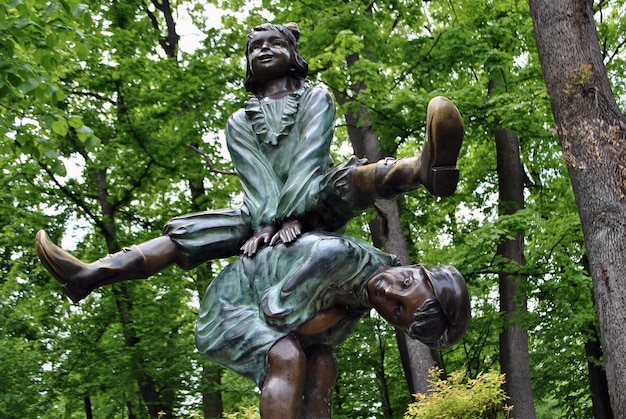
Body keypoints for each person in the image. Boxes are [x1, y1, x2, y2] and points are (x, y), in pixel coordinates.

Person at [35, 22, 464, 303]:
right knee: (190, 231)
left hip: (315, 190)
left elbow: (309, 154)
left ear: (293, 55)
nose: (263, 50)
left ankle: (425, 169)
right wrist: (267, 223)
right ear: (247, 62)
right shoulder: (239, 120)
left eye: (274, 43)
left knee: (354, 177)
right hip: (260, 211)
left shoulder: (315, 97)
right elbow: (254, 176)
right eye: (254, 47)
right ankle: (91, 275)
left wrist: (294, 216)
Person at [195, 231, 470, 418]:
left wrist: (342, 312)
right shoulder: (338, 256)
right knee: (287, 356)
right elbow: (277, 315)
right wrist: (340, 311)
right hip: (231, 304)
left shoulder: (363, 296)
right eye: (407, 282)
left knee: (325, 363)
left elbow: (321, 341)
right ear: (415, 267)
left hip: (274, 316)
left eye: (397, 310)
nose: (388, 291)